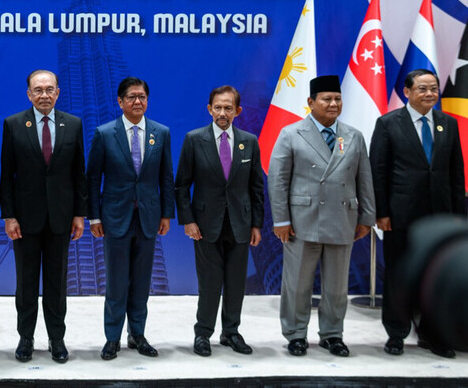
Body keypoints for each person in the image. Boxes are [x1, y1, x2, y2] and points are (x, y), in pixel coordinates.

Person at [268, 75, 374, 357]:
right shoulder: (291, 133)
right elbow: (278, 181)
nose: (333, 104)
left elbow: (364, 179)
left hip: (342, 218)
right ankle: (295, 334)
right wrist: (281, 220)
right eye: (326, 99)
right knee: (297, 284)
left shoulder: (353, 135)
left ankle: (332, 334)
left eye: (337, 99)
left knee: (337, 287)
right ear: (311, 102)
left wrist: (367, 217)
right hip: (302, 221)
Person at [369, 68, 465, 358]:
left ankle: (432, 335)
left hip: (440, 217)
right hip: (400, 214)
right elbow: (378, 171)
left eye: (433, 88)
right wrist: (381, 212)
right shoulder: (388, 123)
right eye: (422, 88)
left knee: (436, 275)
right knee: (397, 274)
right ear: (407, 92)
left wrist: (459, 217)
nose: (429, 94)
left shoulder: (447, 123)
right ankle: (396, 334)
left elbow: (456, 172)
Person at [0, 70, 87, 364]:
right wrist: (9, 216)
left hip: (61, 217)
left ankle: (56, 338)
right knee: (26, 283)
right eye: (38, 90)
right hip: (25, 220)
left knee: (56, 283)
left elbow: (79, 174)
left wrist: (79, 214)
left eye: (49, 89)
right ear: (29, 94)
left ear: (58, 93)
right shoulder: (13, 124)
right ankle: (25, 338)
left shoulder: (73, 124)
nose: (44, 95)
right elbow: (6, 176)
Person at [87, 76, 174, 360]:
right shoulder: (104, 133)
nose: (138, 101)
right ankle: (112, 338)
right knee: (116, 282)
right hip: (115, 218)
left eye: (142, 97)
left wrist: (166, 213)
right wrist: (94, 217)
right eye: (132, 97)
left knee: (141, 282)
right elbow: (93, 179)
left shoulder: (161, 133)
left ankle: (137, 334)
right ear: (120, 101)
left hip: (148, 217)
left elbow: (166, 177)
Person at [174, 85, 264, 357]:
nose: (222, 112)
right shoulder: (194, 139)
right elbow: (181, 185)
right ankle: (203, 333)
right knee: (210, 283)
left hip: (240, 224)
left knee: (236, 283)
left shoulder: (249, 141)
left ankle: (231, 332)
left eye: (228, 108)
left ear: (237, 111)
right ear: (209, 109)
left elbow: (256, 187)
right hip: (205, 225)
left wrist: (256, 224)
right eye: (217, 107)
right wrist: (188, 221)